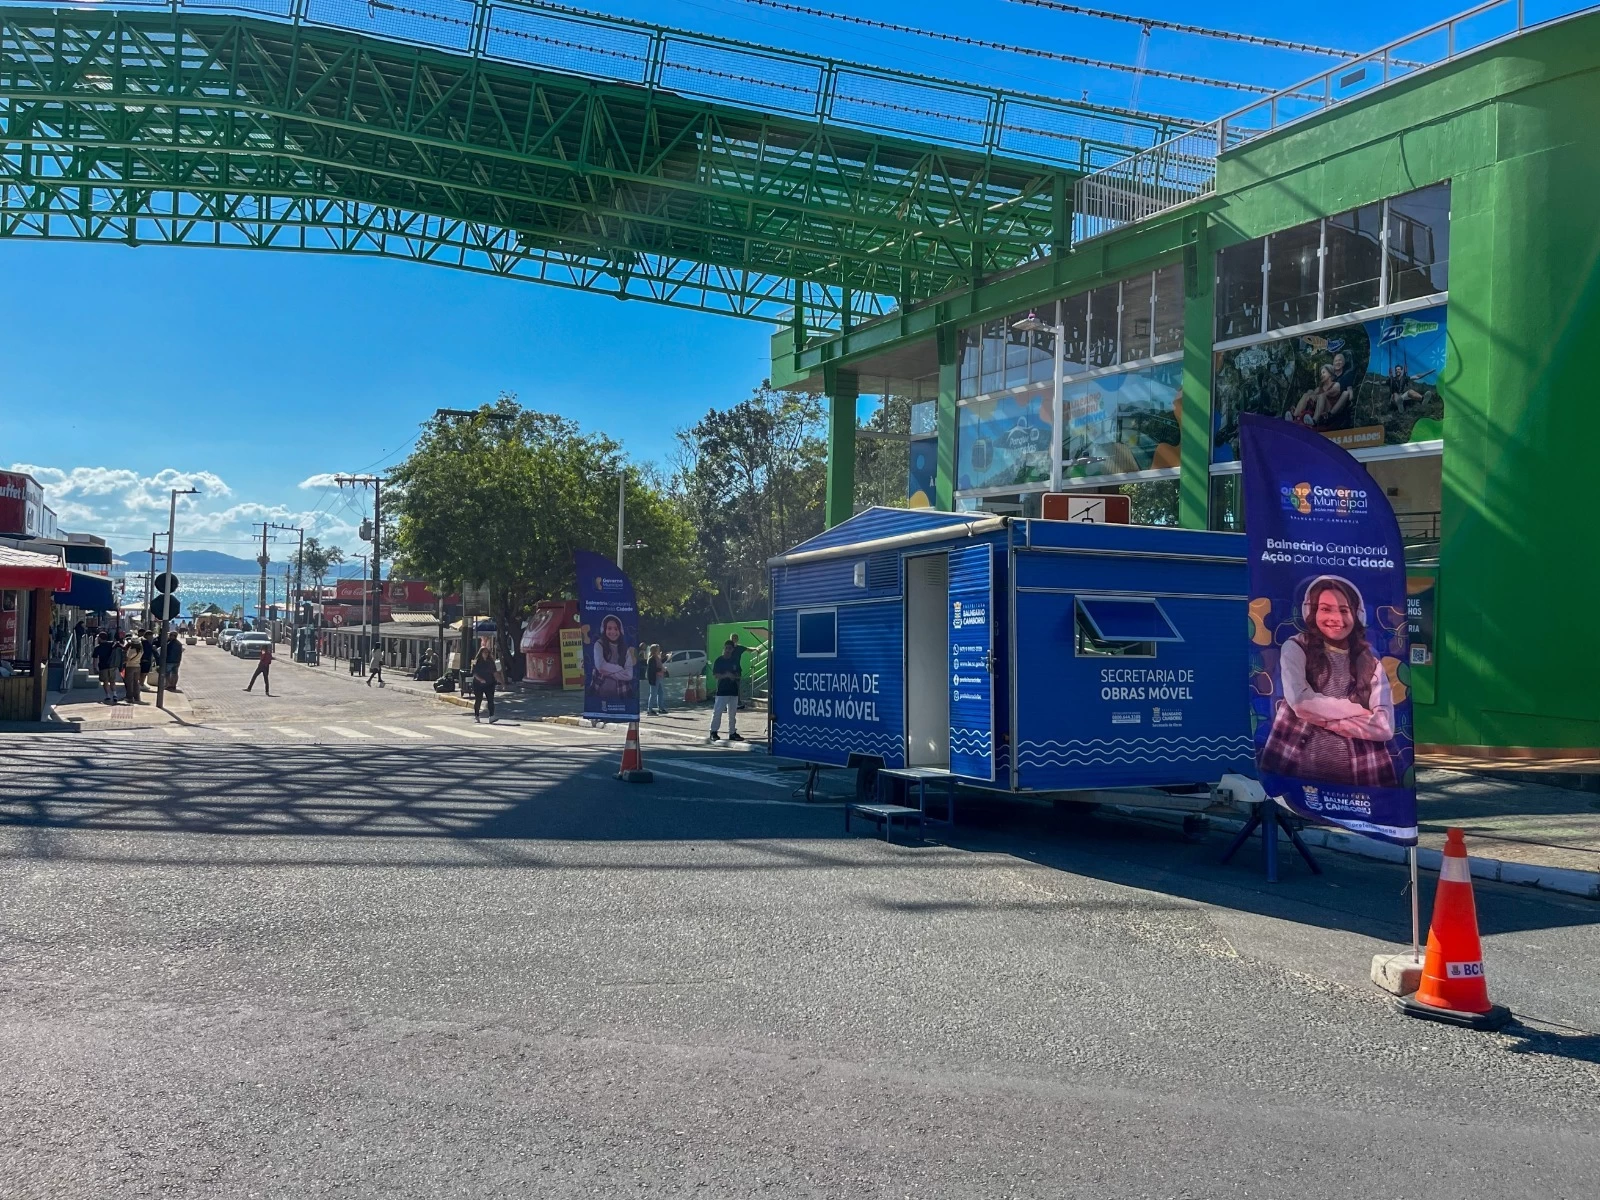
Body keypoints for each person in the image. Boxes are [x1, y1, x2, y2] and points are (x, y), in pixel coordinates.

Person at [1261, 576, 1397, 786]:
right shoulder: (1296, 647)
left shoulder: (1370, 659)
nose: (1336, 618)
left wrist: (1323, 718)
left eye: (1344, 610)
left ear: (1357, 614)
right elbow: (1300, 702)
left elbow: (1384, 727)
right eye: (1326, 609)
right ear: (1312, 611)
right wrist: (1357, 710)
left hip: (1361, 773)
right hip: (1296, 767)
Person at [589, 614, 635, 701]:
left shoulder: (625, 649)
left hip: (622, 693)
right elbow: (600, 666)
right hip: (598, 691)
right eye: (609, 628)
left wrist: (608, 672)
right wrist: (620, 669)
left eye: (616, 629)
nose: (613, 632)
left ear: (620, 631)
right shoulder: (599, 644)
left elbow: (629, 675)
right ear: (604, 629)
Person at [707, 640, 743, 743]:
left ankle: (732, 732)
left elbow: (739, 674)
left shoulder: (735, 660)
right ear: (724, 648)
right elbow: (716, 675)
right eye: (726, 648)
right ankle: (713, 732)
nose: (728, 650)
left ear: (732, 650)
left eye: (730, 648)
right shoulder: (719, 660)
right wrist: (726, 675)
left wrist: (734, 677)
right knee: (717, 712)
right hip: (722, 691)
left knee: (732, 714)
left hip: (733, 690)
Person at [471, 646, 500, 723]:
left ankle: (491, 716)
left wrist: (501, 681)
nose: (486, 654)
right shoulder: (476, 661)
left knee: (490, 700)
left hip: (489, 684)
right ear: (481, 653)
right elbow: (474, 673)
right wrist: (481, 680)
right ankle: (477, 715)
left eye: (487, 652)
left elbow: (495, 672)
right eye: (484, 652)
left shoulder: (491, 662)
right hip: (478, 684)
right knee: (478, 700)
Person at [92, 632, 119, 704]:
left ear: (100, 638)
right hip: (112, 666)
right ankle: (115, 695)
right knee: (112, 681)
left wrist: (95, 668)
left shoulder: (97, 648)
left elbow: (95, 659)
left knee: (105, 682)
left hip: (103, 666)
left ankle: (108, 696)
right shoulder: (111, 644)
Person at [644, 645, 666, 715]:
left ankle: (661, 708)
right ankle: (649, 709)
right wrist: (661, 669)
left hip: (659, 677)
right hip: (654, 678)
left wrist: (666, 657)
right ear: (655, 650)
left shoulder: (657, 658)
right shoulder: (652, 659)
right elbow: (653, 669)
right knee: (653, 694)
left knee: (660, 693)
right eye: (658, 649)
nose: (659, 650)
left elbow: (660, 663)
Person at [121, 633, 143, 703]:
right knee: (136, 682)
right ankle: (137, 697)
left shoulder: (132, 650)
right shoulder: (141, 650)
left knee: (129, 682)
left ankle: (129, 697)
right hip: (138, 666)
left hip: (130, 666)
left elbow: (127, 658)